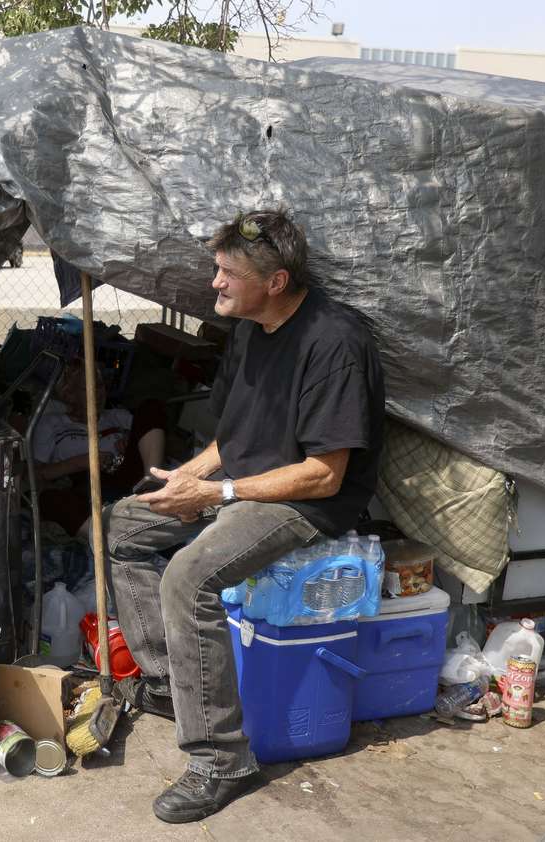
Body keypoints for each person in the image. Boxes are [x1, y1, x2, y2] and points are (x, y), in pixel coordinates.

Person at [94, 209, 385, 824]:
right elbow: (232, 439)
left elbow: (325, 474)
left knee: (189, 577)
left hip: (306, 505)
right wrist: (192, 476)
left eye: (228, 273)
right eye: (217, 269)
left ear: (275, 281)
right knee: (120, 524)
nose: (215, 283)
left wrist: (219, 497)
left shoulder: (333, 341)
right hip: (242, 485)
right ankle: (171, 683)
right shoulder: (251, 326)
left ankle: (222, 760)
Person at [31, 358, 166, 537]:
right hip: (85, 486)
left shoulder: (117, 416)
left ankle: (152, 482)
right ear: (69, 394)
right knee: (49, 500)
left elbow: (151, 432)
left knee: (151, 406)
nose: (98, 393)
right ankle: (109, 540)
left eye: (101, 386)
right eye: (89, 387)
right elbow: (35, 475)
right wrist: (81, 462)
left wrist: (130, 439)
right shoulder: (52, 424)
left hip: (130, 478)